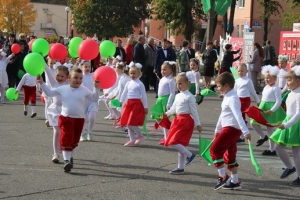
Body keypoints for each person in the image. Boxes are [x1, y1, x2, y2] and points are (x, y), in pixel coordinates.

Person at [38, 68, 100, 172]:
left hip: (79, 119)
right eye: (75, 77)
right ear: (69, 78)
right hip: (66, 118)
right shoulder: (63, 88)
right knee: (67, 137)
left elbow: (94, 98)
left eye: (80, 78)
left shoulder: (84, 90)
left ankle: (69, 156)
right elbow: (49, 93)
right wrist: (42, 83)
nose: (78, 80)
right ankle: (67, 161)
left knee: (74, 140)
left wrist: (96, 88)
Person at [210, 72, 251, 190]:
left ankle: (222, 176)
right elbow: (223, 115)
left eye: (219, 86)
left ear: (226, 85)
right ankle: (234, 180)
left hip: (231, 129)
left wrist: (246, 132)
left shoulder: (232, 98)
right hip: (230, 128)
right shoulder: (228, 96)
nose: (218, 89)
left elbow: (239, 115)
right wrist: (217, 129)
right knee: (230, 155)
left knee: (215, 149)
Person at [164, 73, 202, 175]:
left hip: (185, 121)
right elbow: (174, 109)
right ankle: (180, 167)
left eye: (181, 83)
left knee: (174, 141)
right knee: (180, 144)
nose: (178, 86)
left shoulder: (190, 97)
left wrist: (198, 124)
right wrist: (165, 114)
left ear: (188, 84)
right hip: (178, 120)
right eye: (177, 84)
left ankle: (190, 155)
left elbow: (194, 111)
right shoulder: (178, 96)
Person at [270, 66, 300, 186]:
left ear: (298, 81)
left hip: (296, 124)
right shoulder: (291, 92)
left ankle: (299, 176)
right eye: (286, 80)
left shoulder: (299, 94)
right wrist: (282, 122)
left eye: (289, 80)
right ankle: (290, 167)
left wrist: (286, 124)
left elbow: (298, 114)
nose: (287, 83)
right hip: (289, 122)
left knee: (296, 152)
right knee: (278, 147)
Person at [250, 65, 286, 155]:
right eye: (265, 78)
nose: (266, 79)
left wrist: (272, 110)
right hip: (263, 108)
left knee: (270, 130)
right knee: (253, 122)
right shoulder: (266, 87)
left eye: (269, 78)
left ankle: (272, 149)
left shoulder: (276, 88)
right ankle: (262, 136)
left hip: (271, 110)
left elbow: (279, 101)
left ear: (275, 78)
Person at [43, 65, 69, 163]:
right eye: (58, 75)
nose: (60, 78)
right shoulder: (53, 82)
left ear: (67, 77)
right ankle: (55, 154)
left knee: (64, 133)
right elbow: (47, 70)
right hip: (55, 111)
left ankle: (63, 149)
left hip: (66, 110)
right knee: (56, 131)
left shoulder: (68, 84)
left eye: (62, 76)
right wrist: (41, 59)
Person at [119, 62, 148, 146]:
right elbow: (124, 93)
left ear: (139, 73)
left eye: (134, 73)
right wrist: (121, 101)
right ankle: (132, 139)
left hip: (136, 104)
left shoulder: (140, 84)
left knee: (131, 122)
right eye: (131, 73)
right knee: (128, 123)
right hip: (129, 104)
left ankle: (140, 135)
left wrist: (145, 107)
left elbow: (144, 96)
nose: (132, 75)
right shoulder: (128, 83)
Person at [234, 63, 260, 143]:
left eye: (242, 71)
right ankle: (240, 135)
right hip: (238, 99)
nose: (240, 73)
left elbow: (253, 91)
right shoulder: (237, 80)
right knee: (239, 117)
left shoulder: (248, 81)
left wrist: (258, 100)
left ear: (246, 71)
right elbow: (234, 91)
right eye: (238, 71)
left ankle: (241, 137)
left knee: (240, 116)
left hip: (245, 100)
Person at [152, 61, 176, 145]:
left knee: (164, 119)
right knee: (157, 117)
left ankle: (167, 137)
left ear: (170, 70)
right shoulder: (162, 79)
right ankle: (167, 134)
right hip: (160, 100)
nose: (162, 71)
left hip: (166, 100)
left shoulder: (171, 80)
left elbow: (172, 93)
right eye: (162, 69)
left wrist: (169, 103)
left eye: (165, 69)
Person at [80, 61, 99, 141]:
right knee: (82, 119)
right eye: (85, 67)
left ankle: (89, 131)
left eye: (89, 66)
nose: (87, 68)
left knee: (92, 117)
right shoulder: (80, 77)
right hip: (83, 100)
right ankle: (82, 134)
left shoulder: (93, 75)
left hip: (93, 100)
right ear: (82, 67)